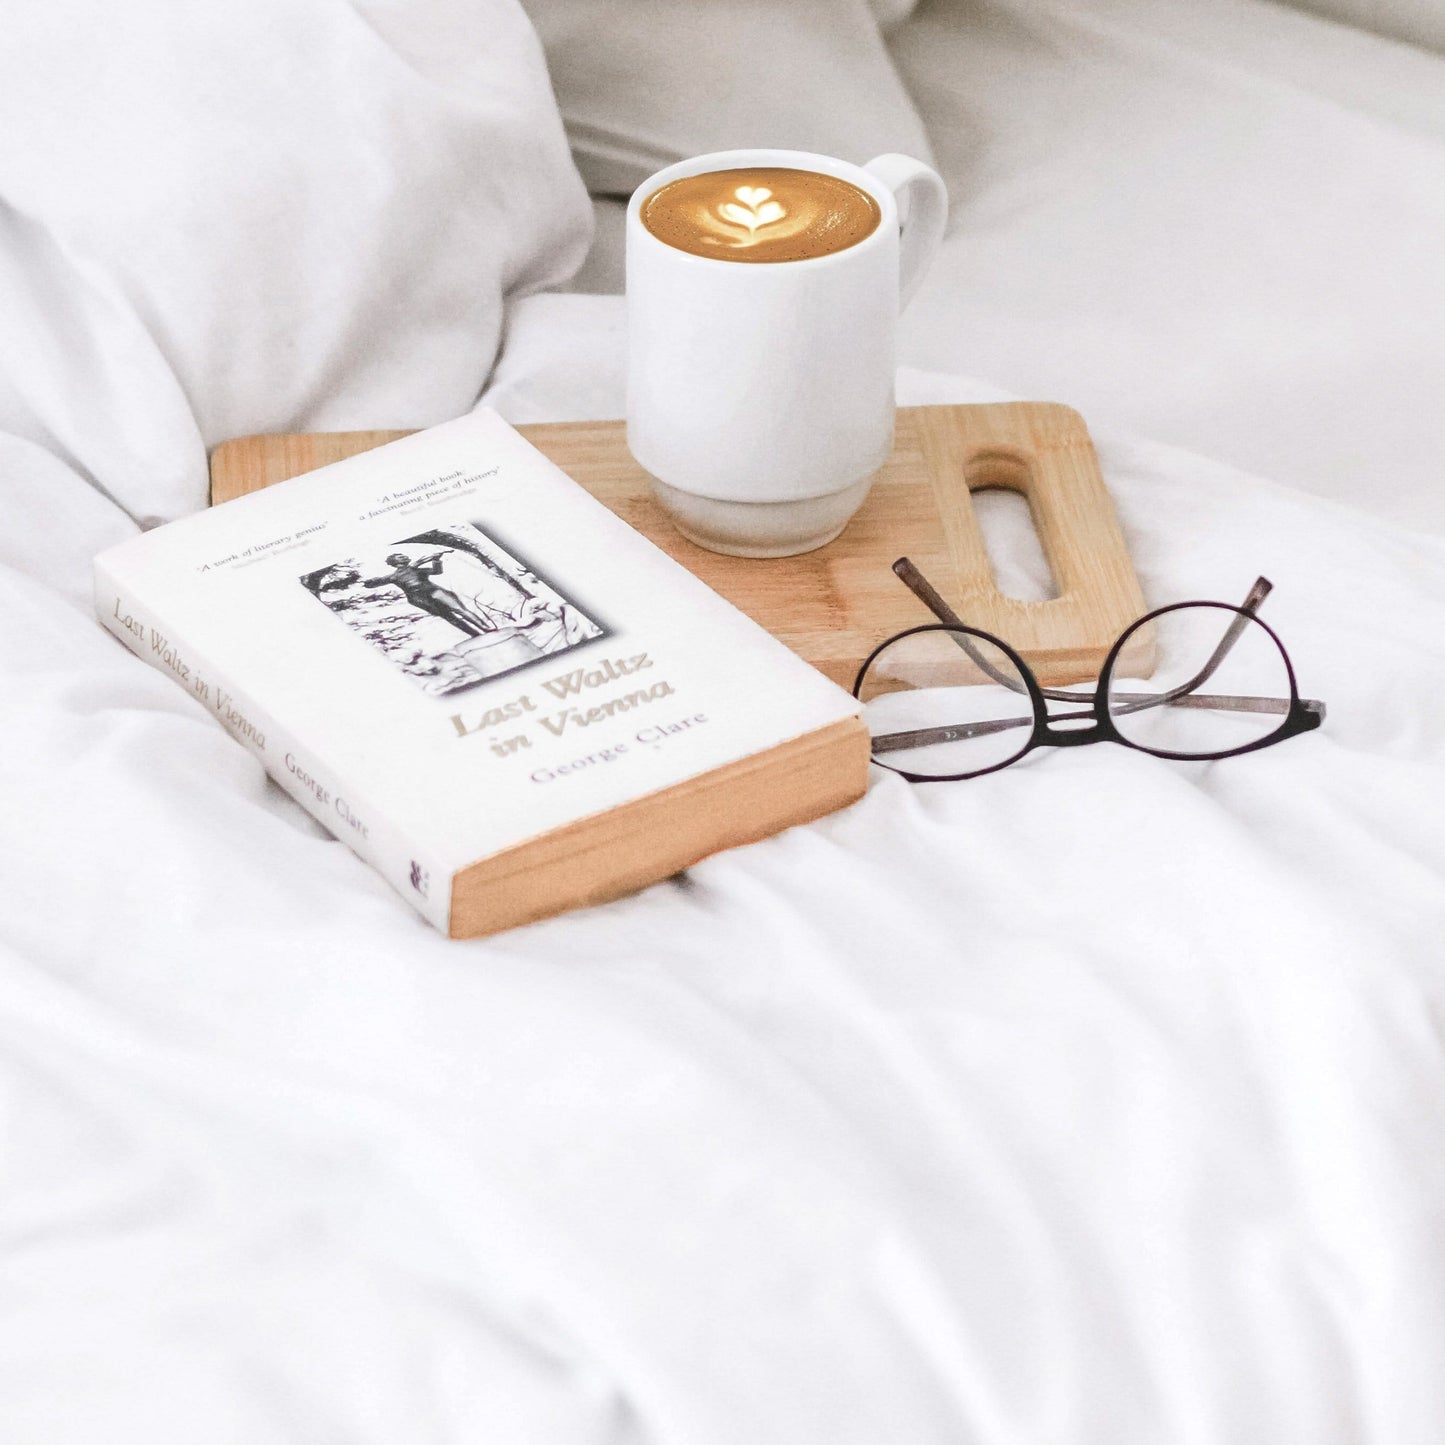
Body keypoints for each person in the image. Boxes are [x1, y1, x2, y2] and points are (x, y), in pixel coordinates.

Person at [363, 551, 496, 638]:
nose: (404, 556)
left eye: (404, 554)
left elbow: (436, 571)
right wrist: (371, 581)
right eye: (400, 556)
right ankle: (474, 634)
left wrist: (436, 560)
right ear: (395, 562)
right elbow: (372, 584)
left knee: (459, 609)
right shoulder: (394, 576)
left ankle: (486, 627)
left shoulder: (418, 569)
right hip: (417, 598)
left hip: (433, 590)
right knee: (448, 616)